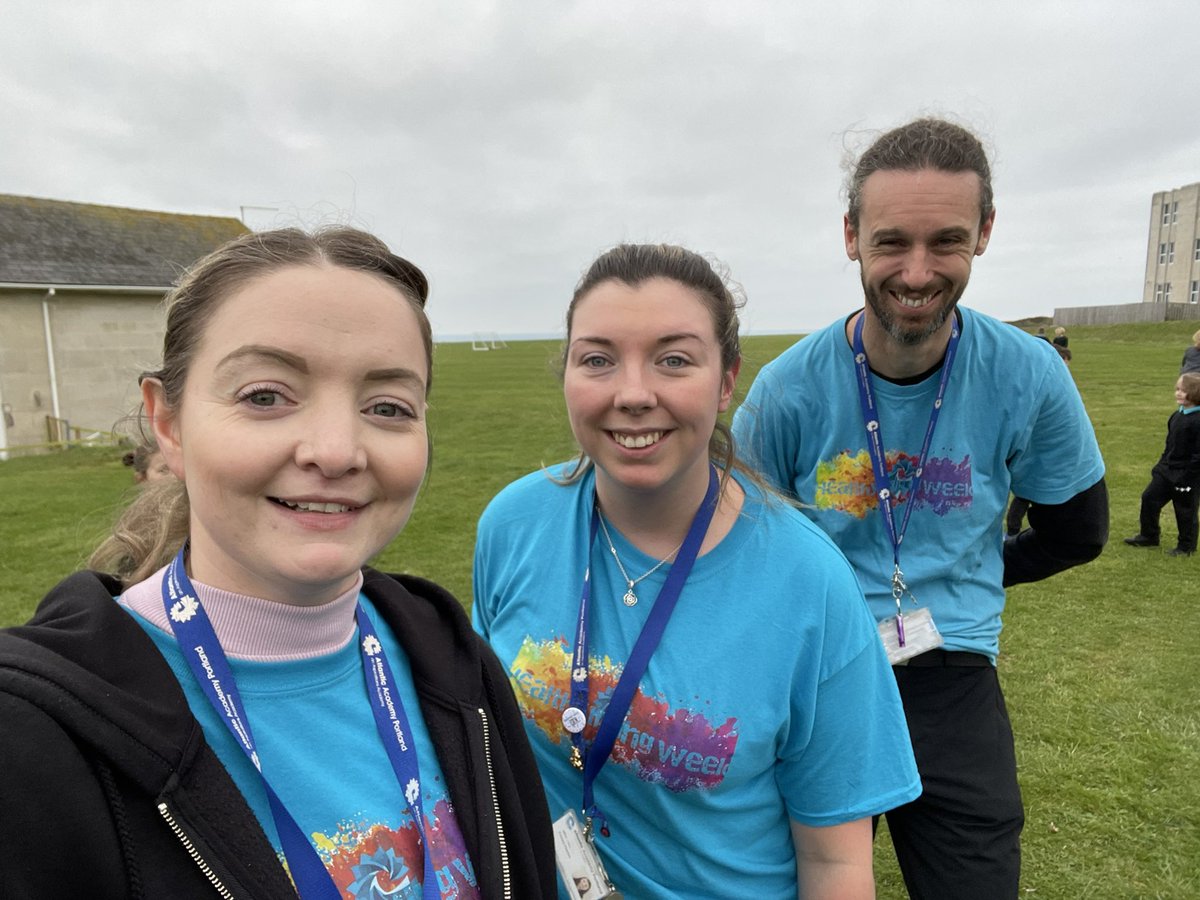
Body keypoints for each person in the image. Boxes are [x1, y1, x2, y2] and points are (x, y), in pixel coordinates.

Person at [0, 227, 554, 899]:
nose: (336, 450)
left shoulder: (454, 662)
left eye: (387, 406)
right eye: (265, 395)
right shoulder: (32, 741)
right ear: (167, 423)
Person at [733, 117, 1108, 899]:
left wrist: (972, 577)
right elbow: (741, 554)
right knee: (800, 880)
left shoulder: (1028, 375)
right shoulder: (786, 392)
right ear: (849, 235)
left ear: (986, 232)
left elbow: (1079, 531)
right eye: (891, 241)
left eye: (946, 241)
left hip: (952, 672)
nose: (916, 270)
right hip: (820, 672)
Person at [473, 244, 921, 899]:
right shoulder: (513, 525)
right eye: (597, 359)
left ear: (727, 378)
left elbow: (835, 865)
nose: (632, 393)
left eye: (674, 359)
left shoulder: (808, 583)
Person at [1123, 372, 1200, 557]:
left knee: (1185, 511)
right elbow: (1170, 445)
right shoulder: (1177, 415)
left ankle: (1186, 546)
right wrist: (1160, 466)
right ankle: (1149, 536)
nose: (1178, 393)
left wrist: (1187, 477)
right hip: (1167, 471)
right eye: (1177, 389)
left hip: (1187, 475)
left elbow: (1198, 456)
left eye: (1184, 390)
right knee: (1149, 498)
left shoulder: (1197, 420)